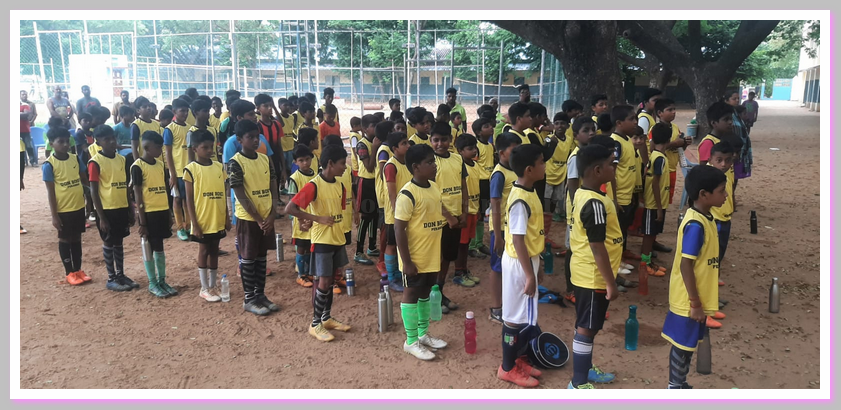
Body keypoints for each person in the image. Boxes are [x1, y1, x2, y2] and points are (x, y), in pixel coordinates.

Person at [661, 165, 727, 389]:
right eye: (721, 191)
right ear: (703, 194)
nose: (726, 195)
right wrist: (695, 303)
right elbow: (686, 264)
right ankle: (675, 387)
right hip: (687, 300)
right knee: (682, 345)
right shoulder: (696, 225)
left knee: (688, 345)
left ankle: (680, 384)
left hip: (695, 298)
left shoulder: (706, 218)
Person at [568, 144, 623, 389]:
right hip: (592, 276)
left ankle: (586, 369)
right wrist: (611, 283)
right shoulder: (594, 204)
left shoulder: (587, 195)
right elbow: (597, 247)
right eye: (612, 163)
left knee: (589, 325)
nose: (615, 168)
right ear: (598, 170)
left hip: (589, 273)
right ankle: (578, 382)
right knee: (587, 328)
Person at [286, 144, 353, 342]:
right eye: (342, 163)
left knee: (330, 280)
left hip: (337, 238)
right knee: (323, 282)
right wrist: (315, 219)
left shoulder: (340, 185)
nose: (345, 167)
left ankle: (326, 318)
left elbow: (337, 212)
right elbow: (290, 208)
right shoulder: (313, 185)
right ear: (330, 163)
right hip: (322, 239)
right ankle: (315, 324)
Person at [497, 143, 546, 387]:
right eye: (542, 162)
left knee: (525, 315)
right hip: (519, 263)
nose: (545, 166)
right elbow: (517, 239)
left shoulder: (529, 191)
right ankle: (507, 367)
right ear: (529, 169)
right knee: (514, 317)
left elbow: (531, 235)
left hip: (528, 259)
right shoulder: (519, 200)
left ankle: (517, 359)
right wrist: (529, 275)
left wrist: (538, 263)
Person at [394, 143, 450, 360]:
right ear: (416, 167)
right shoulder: (407, 194)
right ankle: (410, 341)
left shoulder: (434, 188)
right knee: (411, 294)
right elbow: (399, 229)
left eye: (434, 161)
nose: (434, 165)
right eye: (429, 162)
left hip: (431, 254)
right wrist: (407, 262)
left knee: (426, 292)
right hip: (414, 256)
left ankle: (423, 334)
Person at [229, 120, 279, 316]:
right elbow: (240, 194)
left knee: (261, 257)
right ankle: (249, 299)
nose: (255, 140)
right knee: (248, 259)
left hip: (266, 217)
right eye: (250, 137)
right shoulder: (235, 162)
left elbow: (273, 185)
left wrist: (272, 214)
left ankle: (260, 295)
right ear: (240, 139)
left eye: (257, 136)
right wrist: (258, 218)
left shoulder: (265, 159)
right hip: (249, 219)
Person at [88, 125, 138, 292]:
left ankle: (121, 275)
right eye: (106, 139)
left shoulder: (121, 159)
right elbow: (94, 191)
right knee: (108, 241)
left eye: (113, 138)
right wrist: (101, 217)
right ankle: (111, 278)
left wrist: (130, 209)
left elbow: (125, 186)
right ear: (98, 142)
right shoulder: (95, 162)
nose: (111, 142)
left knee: (119, 241)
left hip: (121, 207)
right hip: (107, 209)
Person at [183, 130, 231, 302]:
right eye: (205, 147)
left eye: (212, 147)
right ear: (195, 148)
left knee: (214, 250)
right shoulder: (191, 169)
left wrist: (226, 217)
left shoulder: (219, 167)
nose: (210, 150)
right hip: (202, 219)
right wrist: (194, 224)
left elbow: (223, 193)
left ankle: (213, 285)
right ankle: (204, 288)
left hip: (217, 217)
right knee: (203, 251)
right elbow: (189, 199)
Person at [130, 130, 176, 298]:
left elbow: (165, 190)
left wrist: (169, 213)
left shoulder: (160, 165)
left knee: (160, 246)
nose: (160, 150)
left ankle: (162, 280)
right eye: (158, 147)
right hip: (148, 214)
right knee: (149, 247)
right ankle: (152, 282)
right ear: (147, 147)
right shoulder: (137, 166)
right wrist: (142, 222)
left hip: (161, 211)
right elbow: (138, 194)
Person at [43, 127, 90, 285]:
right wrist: (54, 215)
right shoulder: (49, 165)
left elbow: (84, 180)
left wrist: (88, 203)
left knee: (77, 237)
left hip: (78, 206)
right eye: (60, 142)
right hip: (63, 209)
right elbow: (50, 192)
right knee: (65, 238)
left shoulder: (75, 159)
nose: (65, 145)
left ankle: (78, 270)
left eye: (67, 141)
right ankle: (69, 272)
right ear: (51, 144)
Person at [430, 122, 468, 312]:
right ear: (430, 141)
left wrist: (464, 211)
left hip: (456, 217)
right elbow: (429, 193)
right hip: (437, 219)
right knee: (434, 259)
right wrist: (447, 216)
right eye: (436, 140)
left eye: (444, 140)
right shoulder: (429, 162)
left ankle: (439, 292)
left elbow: (463, 186)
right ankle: (429, 297)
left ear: (451, 140)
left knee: (447, 257)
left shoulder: (457, 159)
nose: (440, 144)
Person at [488, 133, 522, 323]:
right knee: (497, 268)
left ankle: (509, 304)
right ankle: (496, 307)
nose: (517, 154)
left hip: (513, 227)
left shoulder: (515, 170)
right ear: (501, 153)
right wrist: (498, 235)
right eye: (513, 150)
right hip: (501, 229)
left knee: (510, 266)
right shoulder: (499, 174)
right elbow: (495, 204)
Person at [562, 117, 597, 303]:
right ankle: (570, 289)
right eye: (586, 130)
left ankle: (582, 283)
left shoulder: (588, 154)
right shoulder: (576, 157)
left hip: (586, 205)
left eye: (593, 129)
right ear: (576, 135)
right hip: (577, 209)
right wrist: (578, 206)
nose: (591, 133)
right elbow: (572, 183)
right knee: (573, 249)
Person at [706, 142, 736, 328]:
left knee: (717, 261)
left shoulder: (728, 173)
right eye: (719, 160)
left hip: (725, 220)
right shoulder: (708, 178)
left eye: (728, 160)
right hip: (714, 222)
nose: (724, 164)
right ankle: (705, 307)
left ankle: (711, 300)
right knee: (708, 263)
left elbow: (730, 193)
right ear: (710, 159)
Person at [605, 105, 640, 263]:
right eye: (631, 119)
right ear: (619, 123)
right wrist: (614, 198)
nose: (635, 122)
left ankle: (622, 254)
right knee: (616, 232)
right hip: (618, 197)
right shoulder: (616, 143)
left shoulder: (627, 139)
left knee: (623, 228)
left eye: (635, 118)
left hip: (628, 194)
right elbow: (611, 172)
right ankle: (615, 262)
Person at [324, 134, 357, 294]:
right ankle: (331, 280)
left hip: (344, 218)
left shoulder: (346, 171)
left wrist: (356, 211)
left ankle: (338, 276)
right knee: (329, 252)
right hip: (329, 224)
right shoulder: (320, 179)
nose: (344, 166)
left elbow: (351, 191)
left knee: (341, 248)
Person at [639, 123, 672, 278]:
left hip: (658, 203)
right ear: (669, 140)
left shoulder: (657, 156)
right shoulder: (659, 158)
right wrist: (658, 208)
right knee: (648, 234)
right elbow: (654, 183)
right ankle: (644, 264)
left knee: (652, 233)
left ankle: (649, 261)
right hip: (653, 204)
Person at [382, 132, 412, 292]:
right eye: (404, 143)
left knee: (404, 243)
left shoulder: (408, 162)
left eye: (407, 142)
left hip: (407, 211)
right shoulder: (391, 166)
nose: (408, 146)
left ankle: (400, 272)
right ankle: (392, 276)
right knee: (392, 244)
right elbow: (392, 194)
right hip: (394, 214)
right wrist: (396, 213)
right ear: (394, 148)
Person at [453, 133, 483, 286]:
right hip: (464, 211)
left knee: (467, 242)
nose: (474, 151)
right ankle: (458, 272)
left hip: (474, 209)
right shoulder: (459, 167)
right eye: (470, 148)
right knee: (461, 243)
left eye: (475, 147)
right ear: (460, 151)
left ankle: (464, 270)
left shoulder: (475, 165)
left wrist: (478, 209)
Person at [288, 142, 318, 288]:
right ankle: (301, 275)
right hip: (301, 220)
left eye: (307, 159)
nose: (305, 163)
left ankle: (309, 272)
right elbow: (292, 202)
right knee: (301, 247)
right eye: (301, 160)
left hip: (313, 219)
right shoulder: (294, 178)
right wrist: (301, 220)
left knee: (311, 246)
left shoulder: (316, 176)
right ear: (295, 162)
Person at [653, 99, 692, 206]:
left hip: (672, 169)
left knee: (667, 199)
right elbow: (653, 149)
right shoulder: (655, 129)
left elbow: (679, 149)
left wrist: (684, 143)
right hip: (660, 169)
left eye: (674, 109)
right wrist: (674, 143)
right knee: (658, 199)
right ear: (660, 113)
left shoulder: (675, 128)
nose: (674, 112)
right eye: (670, 110)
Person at [354, 114, 381, 265]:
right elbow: (369, 167)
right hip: (366, 184)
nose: (376, 128)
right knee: (366, 217)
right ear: (364, 129)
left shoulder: (376, 141)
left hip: (376, 183)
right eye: (373, 126)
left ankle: (371, 246)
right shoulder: (362, 145)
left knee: (375, 215)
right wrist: (375, 148)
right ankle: (358, 251)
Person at [164, 98, 192, 242]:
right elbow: (168, 153)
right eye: (182, 111)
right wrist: (172, 174)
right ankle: (180, 227)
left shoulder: (190, 128)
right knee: (177, 198)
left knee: (188, 199)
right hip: (177, 170)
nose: (185, 114)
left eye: (187, 111)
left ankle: (188, 225)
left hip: (188, 171)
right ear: (174, 111)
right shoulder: (169, 129)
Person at [468, 118, 495, 257]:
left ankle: (479, 243)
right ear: (478, 132)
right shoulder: (476, 147)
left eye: (490, 125)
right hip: (479, 183)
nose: (491, 128)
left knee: (482, 213)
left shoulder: (490, 146)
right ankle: (471, 246)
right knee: (476, 214)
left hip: (489, 183)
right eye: (486, 126)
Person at [374, 121, 396, 277]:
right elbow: (384, 173)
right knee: (385, 232)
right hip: (384, 197)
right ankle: (382, 261)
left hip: (390, 195)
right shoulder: (384, 150)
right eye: (394, 129)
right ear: (389, 133)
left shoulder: (390, 148)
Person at [545, 112, 573, 223]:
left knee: (558, 195)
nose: (559, 126)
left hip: (561, 170)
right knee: (547, 195)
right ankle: (547, 214)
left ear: (567, 126)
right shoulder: (549, 138)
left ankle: (556, 213)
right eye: (556, 123)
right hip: (549, 170)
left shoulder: (569, 139)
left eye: (562, 123)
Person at [255, 94, 285, 187]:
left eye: (270, 105)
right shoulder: (257, 127)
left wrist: (283, 169)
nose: (269, 108)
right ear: (258, 108)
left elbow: (279, 147)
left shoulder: (276, 125)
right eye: (265, 106)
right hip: (262, 162)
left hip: (276, 160)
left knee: (276, 184)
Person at [698, 102, 734, 167]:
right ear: (714, 123)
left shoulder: (725, 139)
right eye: (726, 119)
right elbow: (703, 169)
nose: (730, 122)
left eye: (731, 119)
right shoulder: (708, 143)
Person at [187, 98, 221, 163]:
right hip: (200, 167)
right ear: (196, 112)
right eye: (205, 111)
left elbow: (216, 151)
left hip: (214, 165)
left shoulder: (213, 130)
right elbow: (191, 158)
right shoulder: (191, 132)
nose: (208, 114)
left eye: (208, 111)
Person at [277, 97, 298, 179]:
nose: (287, 107)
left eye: (288, 105)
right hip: (282, 147)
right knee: (283, 167)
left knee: (290, 167)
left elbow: (291, 130)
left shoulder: (292, 117)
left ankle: (290, 182)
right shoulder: (277, 118)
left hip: (290, 146)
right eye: (285, 105)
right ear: (279, 106)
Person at [20, 90, 38, 166]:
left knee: (29, 146)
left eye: (25, 94)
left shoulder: (26, 105)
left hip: (25, 129)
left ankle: (32, 161)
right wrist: (21, 113)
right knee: (19, 148)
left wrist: (23, 115)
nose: (24, 96)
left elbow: (26, 114)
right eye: (23, 94)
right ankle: (22, 162)